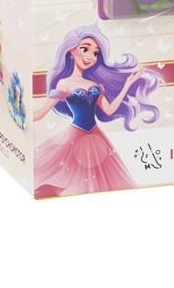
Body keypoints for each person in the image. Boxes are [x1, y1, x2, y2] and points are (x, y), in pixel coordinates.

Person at [32, 26, 159, 198]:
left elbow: (109, 109)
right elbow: (41, 113)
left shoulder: (95, 85)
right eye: (85, 49)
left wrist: (127, 84)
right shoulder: (64, 83)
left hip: (96, 136)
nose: (90, 56)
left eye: (95, 53)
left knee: (102, 180)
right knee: (75, 178)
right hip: (75, 135)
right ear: (71, 50)